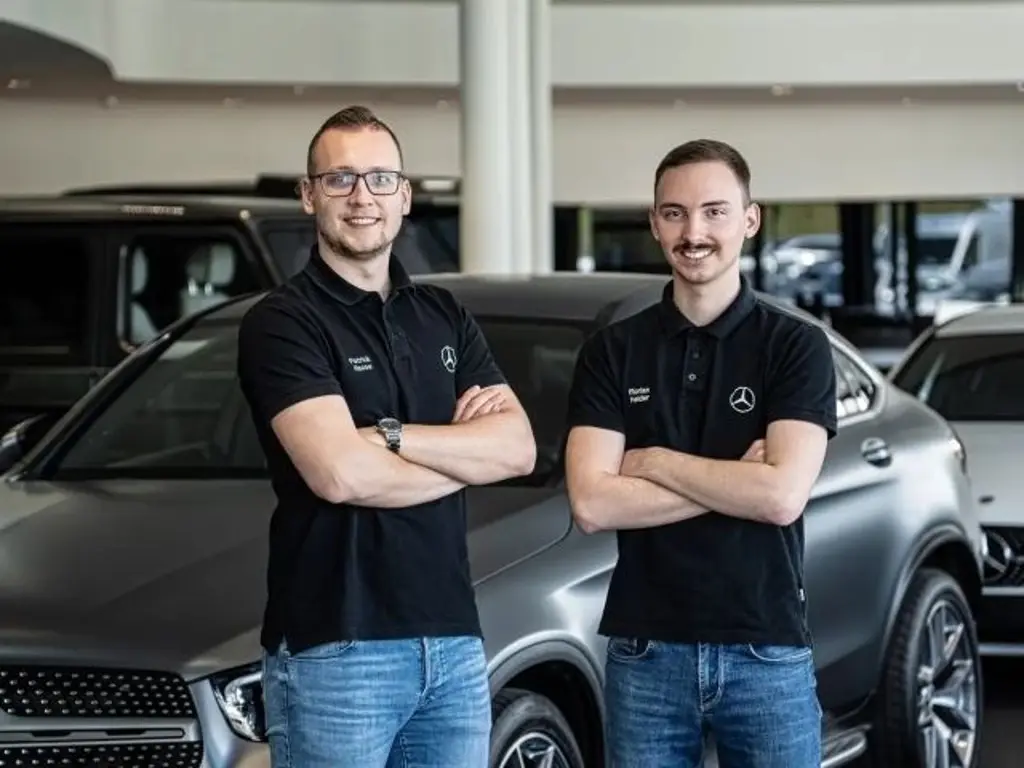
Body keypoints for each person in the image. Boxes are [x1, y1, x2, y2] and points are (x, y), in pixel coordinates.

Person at [236, 105, 537, 768]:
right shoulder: (283, 323)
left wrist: (389, 437)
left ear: (404, 196)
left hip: (452, 641)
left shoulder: (442, 314)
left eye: (379, 179)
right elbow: (340, 474)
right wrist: (465, 453)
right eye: (340, 179)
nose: (361, 197)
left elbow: (518, 450)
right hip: (337, 647)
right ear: (309, 194)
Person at [564, 139, 837, 767]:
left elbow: (780, 498)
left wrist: (655, 462)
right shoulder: (613, 351)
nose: (694, 233)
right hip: (644, 651)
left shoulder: (795, 346)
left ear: (750, 219)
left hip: (764, 649)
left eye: (715, 212)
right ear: (654, 223)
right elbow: (593, 504)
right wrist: (736, 480)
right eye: (675, 213)